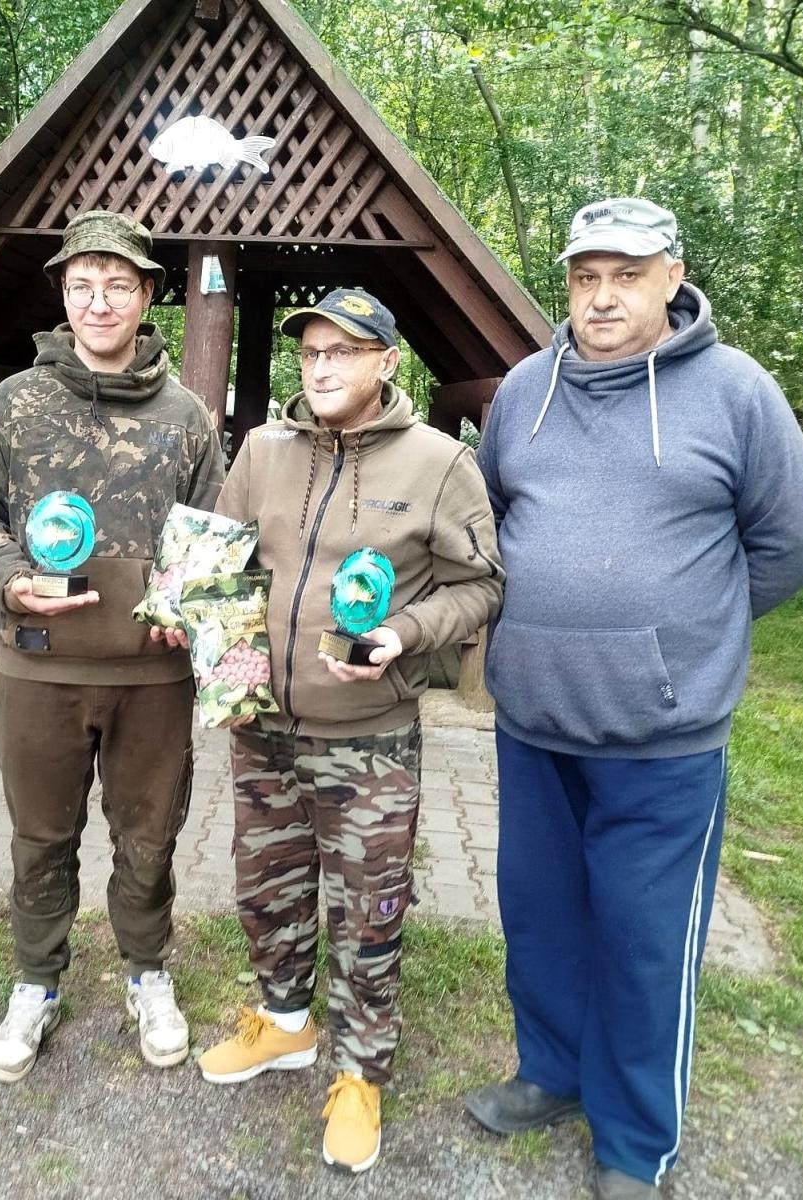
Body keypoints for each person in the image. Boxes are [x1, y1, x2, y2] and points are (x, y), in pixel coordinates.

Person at [467, 198, 803, 1199]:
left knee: (643, 940)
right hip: (534, 720)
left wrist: (689, 633)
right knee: (540, 916)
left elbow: (794, 545)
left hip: (663, 737)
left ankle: (634, 1140)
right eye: (585, 275)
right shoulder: (523, 393)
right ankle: (550, 1073)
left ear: (670, 278)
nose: (601, 295)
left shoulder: (734, 393)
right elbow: (494, 519)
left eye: (625, 275)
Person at [195, 289, 504, 1173]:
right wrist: (195, 621)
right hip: (262, 724)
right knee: (268, 892)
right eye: (312, 351)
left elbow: (481, 584)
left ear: (384, 363)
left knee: (366, 910)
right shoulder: (259, 449)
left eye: (344, 350)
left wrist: (402, 635)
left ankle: (360, 1072)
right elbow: (216, 564)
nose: (323, 365)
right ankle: (284, 1026)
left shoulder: (440, 464)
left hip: (368, 733)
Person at [0, 211, 225, 1083]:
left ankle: (148, 973)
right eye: (80, 286)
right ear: (63, 298)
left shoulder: (185, 414)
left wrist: (186, 604)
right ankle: (36, 982)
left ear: (146, 296)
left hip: (153, 677)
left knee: (148, 837)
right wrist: (2, 578)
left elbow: (211, 531)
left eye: (115, 285)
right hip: (38, 665)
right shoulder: (13, 404)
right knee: (41, 836)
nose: (97, 301)